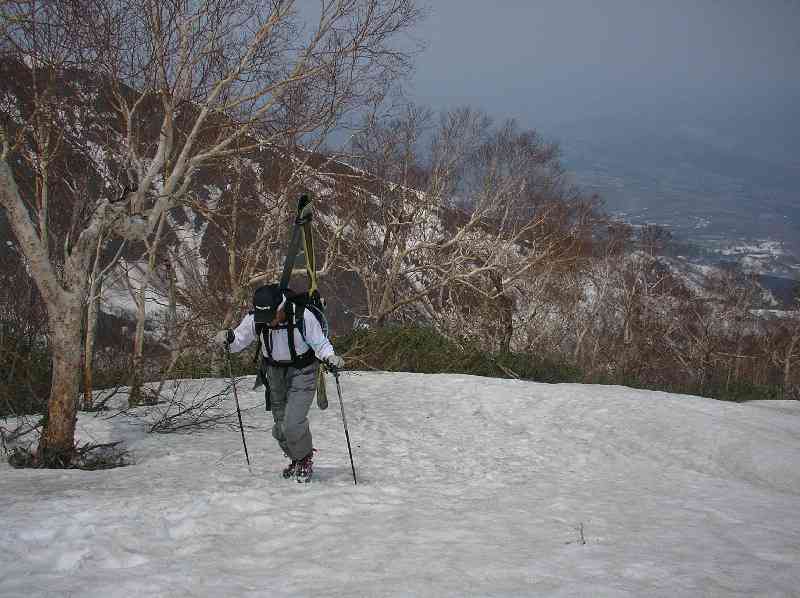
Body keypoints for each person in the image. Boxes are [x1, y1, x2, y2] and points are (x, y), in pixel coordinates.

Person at [215, 284, 344, 482]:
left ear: (281, 307)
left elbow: (320, 343)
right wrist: (227, 339)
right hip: (274, 374)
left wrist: (331, 358)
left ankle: (304, 459)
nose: (269, 323)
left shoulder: (302, 316)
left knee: (292, 423)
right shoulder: (256, 319)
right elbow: (238, 341)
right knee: (280, 428)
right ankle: (297, 460)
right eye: (264, 319)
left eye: (272, 317)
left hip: (303, 371)